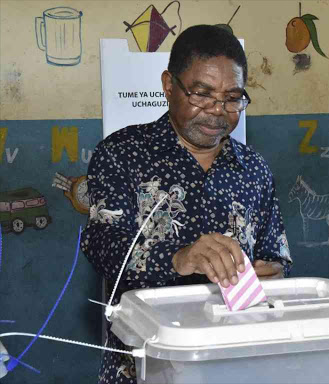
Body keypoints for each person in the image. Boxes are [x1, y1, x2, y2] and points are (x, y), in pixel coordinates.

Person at [80, 25, 292, 384]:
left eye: (232, 98)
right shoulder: (122, 154)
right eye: (201, 94)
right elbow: (102, 246)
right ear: (168, 85)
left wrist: (271, 271)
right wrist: (178, 257)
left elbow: (277, 255)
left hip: (236, 359)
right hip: (145, 362)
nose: (217, 112)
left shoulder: (253, 169)